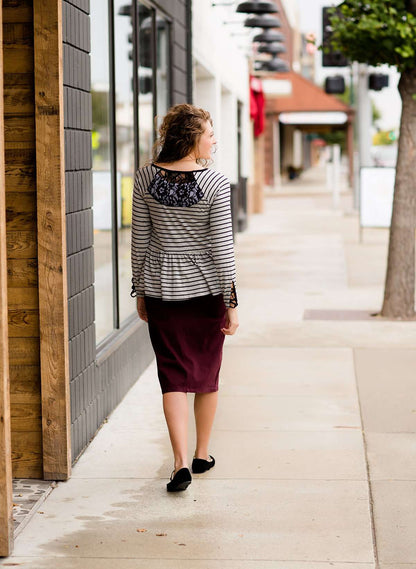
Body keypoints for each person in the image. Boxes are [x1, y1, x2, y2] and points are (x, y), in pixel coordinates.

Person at [131, 103, 239, 493]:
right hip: (206, 291)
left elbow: (139, 239)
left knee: (172, 376)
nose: (214, 141)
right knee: (207, 376)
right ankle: (201, 453)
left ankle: (179, 463)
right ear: (193, 138)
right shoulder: (215, 183)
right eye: (210, 134)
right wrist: (231, 301)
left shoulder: (145, 178)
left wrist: (139, 290)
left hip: (161, 289)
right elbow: (222, 248)